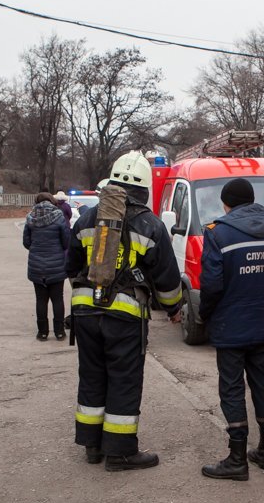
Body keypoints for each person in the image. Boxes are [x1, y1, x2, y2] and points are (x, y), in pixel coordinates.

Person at [67, 151, 183, 471]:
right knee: (124, 380)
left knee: (92, 376)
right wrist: (173, 309)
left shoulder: (88, 218)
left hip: (85, 313)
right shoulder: (150, 224)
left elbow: (71, 265)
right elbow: (168, 279)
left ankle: (92, 446)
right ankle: (119, 452)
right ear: (144, 189)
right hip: (125, 316)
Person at [198, 177, 264, 481]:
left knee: (232, 388)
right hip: (260, 322)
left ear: (226, 202)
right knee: (261, 384)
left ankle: (237, 459)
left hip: (230, 324)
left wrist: (207, 315)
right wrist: (260, 300)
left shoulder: (217, 233)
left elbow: (211, 284)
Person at [23, 192, 71, 340]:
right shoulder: (59, 216)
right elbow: (66, 241)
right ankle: (59, 332)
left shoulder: (30, 218)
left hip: (36, 265)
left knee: (40, 299)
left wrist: (37, 248)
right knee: (57, 298)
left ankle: (42, 332)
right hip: (56, 264)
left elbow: (26, 242)